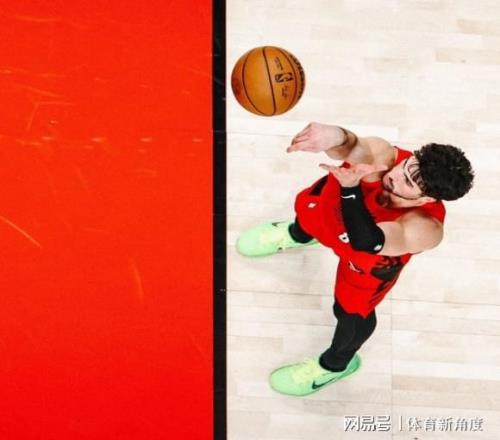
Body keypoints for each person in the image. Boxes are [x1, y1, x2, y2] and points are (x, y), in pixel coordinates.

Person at [236, 122, 474, 396]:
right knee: (310, 217)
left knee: (350, 314)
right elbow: (352, 146)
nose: (396, 176)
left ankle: (335, 365)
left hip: (365, 262)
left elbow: (366, 242)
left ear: (426, 199)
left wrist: (350, 190)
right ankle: (297, 234)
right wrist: (336, 136)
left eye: (408, 182)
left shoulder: (425, 229)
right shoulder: (384, 156)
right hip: (332, 215)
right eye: (406, 166)